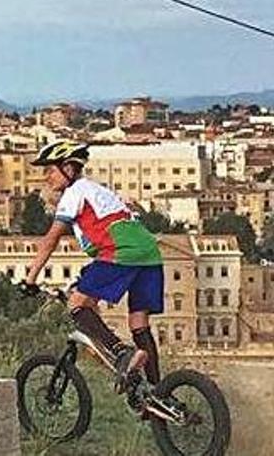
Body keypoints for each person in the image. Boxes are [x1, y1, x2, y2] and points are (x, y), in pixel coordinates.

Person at [22, 140, 164, 394]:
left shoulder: (75, 192)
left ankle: (122, 354)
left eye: (50, 170)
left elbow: (51, 239)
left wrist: (30, 279)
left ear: (68, 168)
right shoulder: (99, 192)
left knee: (77, 304)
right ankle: (157, 393)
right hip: (149, 254)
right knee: (139, 323)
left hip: (122, 252)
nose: (46, 177)